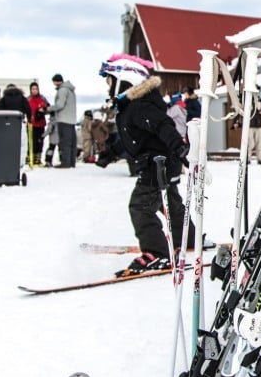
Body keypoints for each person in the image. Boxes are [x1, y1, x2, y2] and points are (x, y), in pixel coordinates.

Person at [95, 54, 190, 276]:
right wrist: (109, 154)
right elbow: (131, 138)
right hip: (159, 164)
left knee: (140, 206)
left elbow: (164, 126)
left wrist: (180, 148)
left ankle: (157, 253)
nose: (108, 86)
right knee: (169, 203)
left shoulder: (141, 106)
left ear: (124, 80)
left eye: (110, 80)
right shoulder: (130, 107)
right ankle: (189, 238)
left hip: (157, 165)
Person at [47, 73, 77, 168]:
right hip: (72, 119)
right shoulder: (71, 90)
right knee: (72, 142)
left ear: (55, 81)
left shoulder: (62, 90)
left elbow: (60, 105)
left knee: (64, 142)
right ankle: (72, 162)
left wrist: (49, 109)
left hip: (63, 119)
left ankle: (65, 162)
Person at [27, 82, 50, 166]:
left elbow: (48, 108)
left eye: (36, 89)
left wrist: (43, 110)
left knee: (40, 141)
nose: (35, 91)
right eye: (33, 89)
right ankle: (30, 158)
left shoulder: (42, 98)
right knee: (31, 142)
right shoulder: (28, 99)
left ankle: (38, 158)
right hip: (31, 124)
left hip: (40, 123)